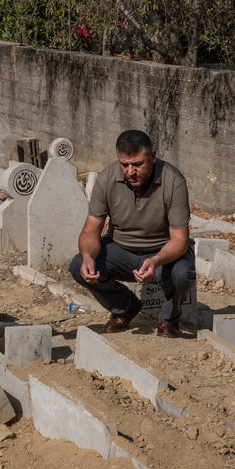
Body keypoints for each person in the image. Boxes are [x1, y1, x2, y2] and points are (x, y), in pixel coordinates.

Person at [69, 129, 194, 337]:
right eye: (124, 165)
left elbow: (180, 240)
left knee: (183, 273)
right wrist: (88, 256)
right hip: (122, 252)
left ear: (153, 156)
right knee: (77, 265)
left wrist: (155, 261)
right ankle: (124, 306)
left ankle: (170, 319)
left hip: (162, 255)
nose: (130, 172)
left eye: (137, 164)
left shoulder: (173, 181)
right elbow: (91, 229)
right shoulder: (107, 179)